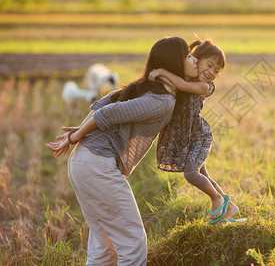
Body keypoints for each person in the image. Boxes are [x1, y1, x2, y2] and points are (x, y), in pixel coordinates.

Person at [45, 36, 199, 266]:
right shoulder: (162, 99)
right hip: (97, 164)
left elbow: (103, 103)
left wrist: (81, 132)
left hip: (85, 163)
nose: (194, 60)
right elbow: (106, 113)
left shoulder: (148, 89)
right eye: (188, 55)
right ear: (175, 62)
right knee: (132, 243)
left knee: (104, 246)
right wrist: (76, 136)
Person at [148, 39, 240, 224]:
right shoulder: (184, 77)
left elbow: (182, 86)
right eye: (209, 65)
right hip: (185, 137)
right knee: (203, 175)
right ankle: (230, 207)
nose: (212, 72)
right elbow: (177, 82)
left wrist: (161, 72)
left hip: (198, 136)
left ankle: (216, 199)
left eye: (217, 71)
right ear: (195, 60)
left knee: (191, 174)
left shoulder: (204, 87)